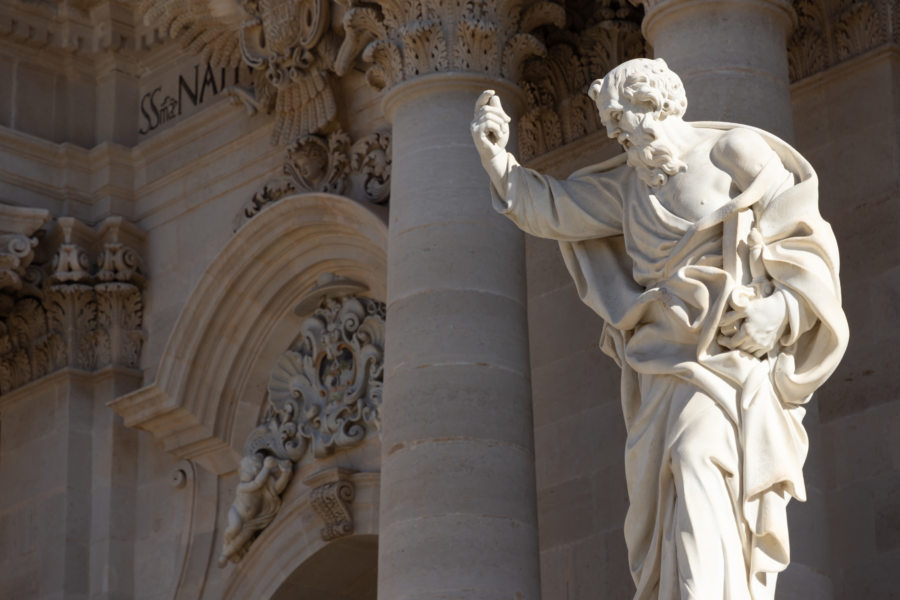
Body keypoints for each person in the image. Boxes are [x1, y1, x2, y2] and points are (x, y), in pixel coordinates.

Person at [471, 58, 848, 600]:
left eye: (625, 124)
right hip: (660, 365)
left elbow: (803, 243)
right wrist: (497, 160)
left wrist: (782, 311)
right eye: (614, 132)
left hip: (729, 359)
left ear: (658, 106)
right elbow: (554, 209)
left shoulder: (734, 151)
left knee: (698, 458)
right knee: (664, 497)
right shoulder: (628, 186)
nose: (620, 138)